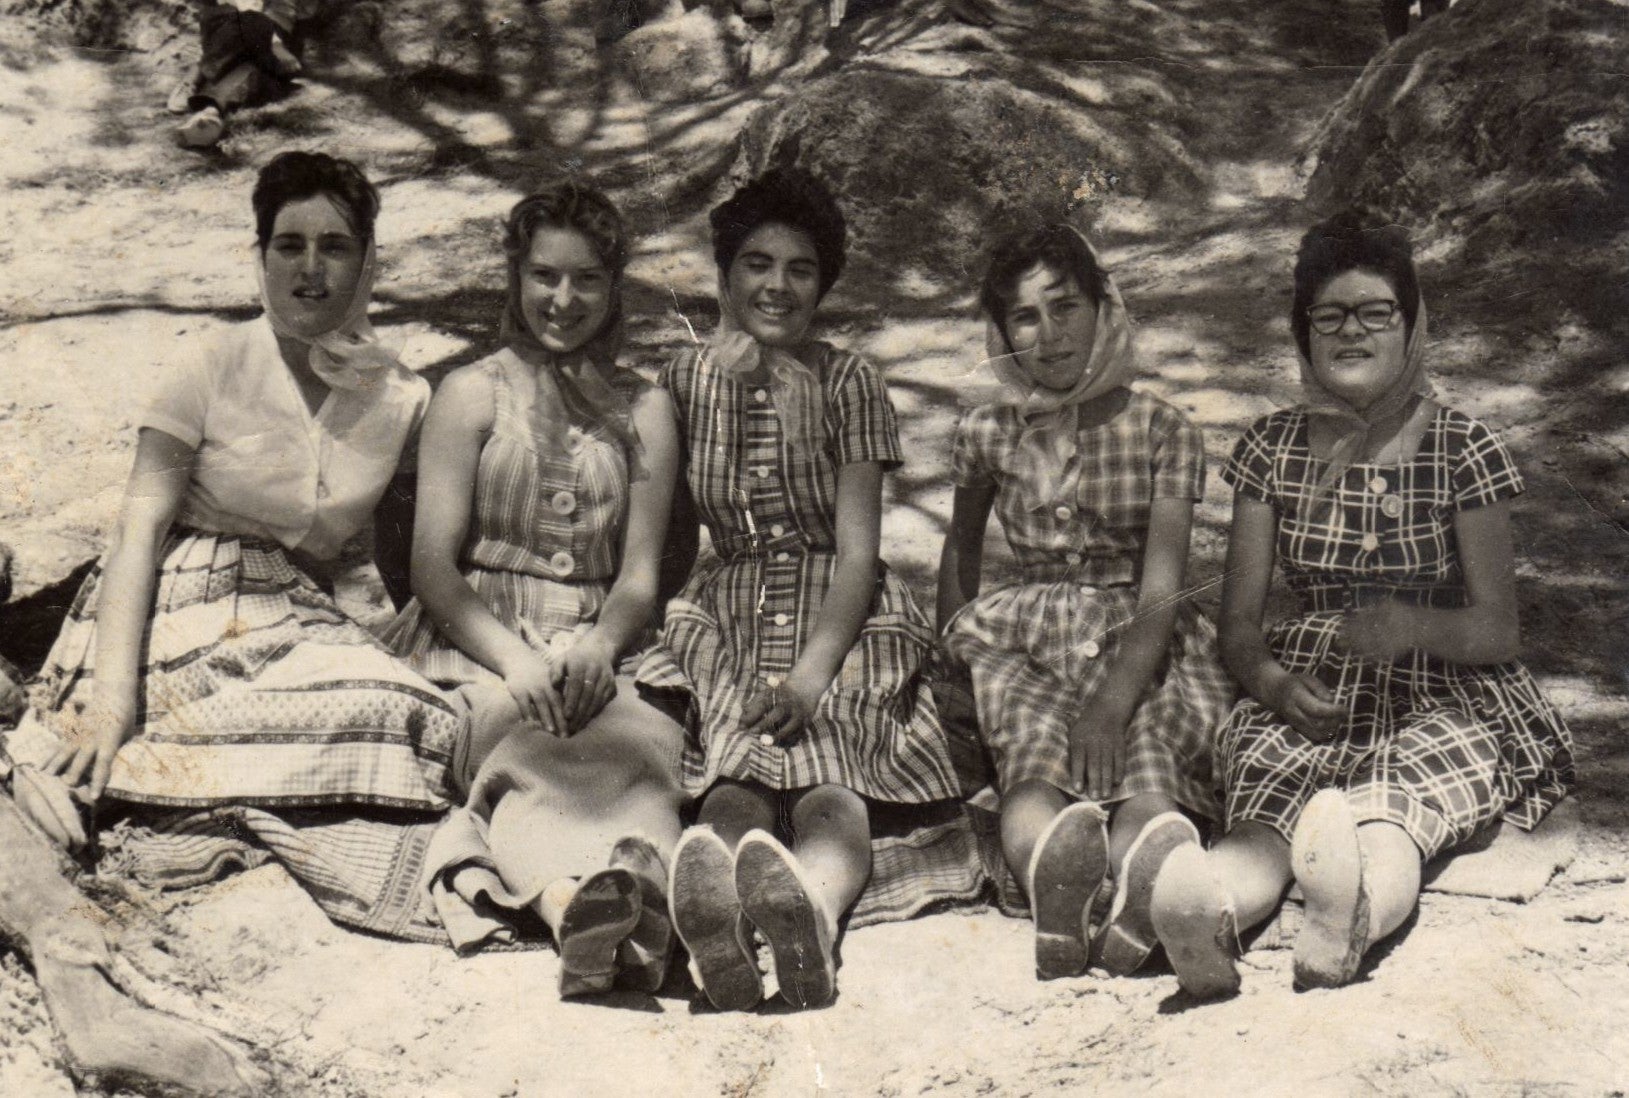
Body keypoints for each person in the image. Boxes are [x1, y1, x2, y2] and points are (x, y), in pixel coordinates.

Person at [6, 151, 462, 941]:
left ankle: (177, 777)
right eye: (290, 245)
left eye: (334, 246)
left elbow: (404, 555)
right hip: (172, 606)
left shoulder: (401, 397)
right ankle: (124, 760)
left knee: (424, 714)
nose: (311, 268)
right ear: (260, 255)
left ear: (367, 260)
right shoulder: (211, 364)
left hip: (294, 619)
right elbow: (138, 530)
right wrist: (111, 704)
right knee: (387, 716)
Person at [1149, 210, 1574, 998]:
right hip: (1311, 683)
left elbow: (1497, 628)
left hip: (1443, 683)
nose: (1351, 331)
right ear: (1302, 332)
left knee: (1392, 810)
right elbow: (1238, 625)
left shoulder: (1461, 448)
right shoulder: (1270, 448)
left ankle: (1352, 911)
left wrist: (1411, 624)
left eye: (1375, 312)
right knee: (1267, 797)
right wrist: (1273, 685)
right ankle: (1205, 910)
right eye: (1328, 315)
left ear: (1410, 327)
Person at [643, 166, 962, 1011]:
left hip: (842, 610)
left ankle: (809, 912)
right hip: (731, 606)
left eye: (800, 269)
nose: (777, 286)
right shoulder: (683, 380)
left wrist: (812, 678)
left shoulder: (849, 381)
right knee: (734, 774)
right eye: (756, 264)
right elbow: (664, 527)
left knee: (830, 775)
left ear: (823, 284)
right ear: (723, 273)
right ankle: (715, 918)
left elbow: (858, 553)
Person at [385, 182, 686, 997]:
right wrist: (514, 660)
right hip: (481, 633)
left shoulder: (646, 407)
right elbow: (431, 567)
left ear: (614, 287)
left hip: (601, 628)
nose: (563, 299)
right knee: (520, 736)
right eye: (544, 275)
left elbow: (640, 574)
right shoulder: (470, 393)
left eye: (587, 279)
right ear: (515, 278)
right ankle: (567, 908)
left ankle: (642, 894)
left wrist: (599, 645)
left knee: (639, 737)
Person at [936, 224, 1232, 980]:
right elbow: (961, 549)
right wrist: (948, 656)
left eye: (1065, 307)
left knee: (1150, 764)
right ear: (1001, 334)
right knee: (1031, 768)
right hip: (1027, 640)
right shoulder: (987, 431)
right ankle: (1056, 887)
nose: (1048, 334)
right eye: (1024, 317)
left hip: (1145, 639)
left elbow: (1163, 584)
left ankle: (1144, 883)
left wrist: (1109, 704)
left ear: (1104, 308)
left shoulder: (1162, 428)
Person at [170, 1, 319, 149]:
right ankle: (209, 110)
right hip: (242, 30)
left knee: (246, 54)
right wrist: (276, 45)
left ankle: (207, 107)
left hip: (263, 40)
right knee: (243, 23)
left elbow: (307, 12)